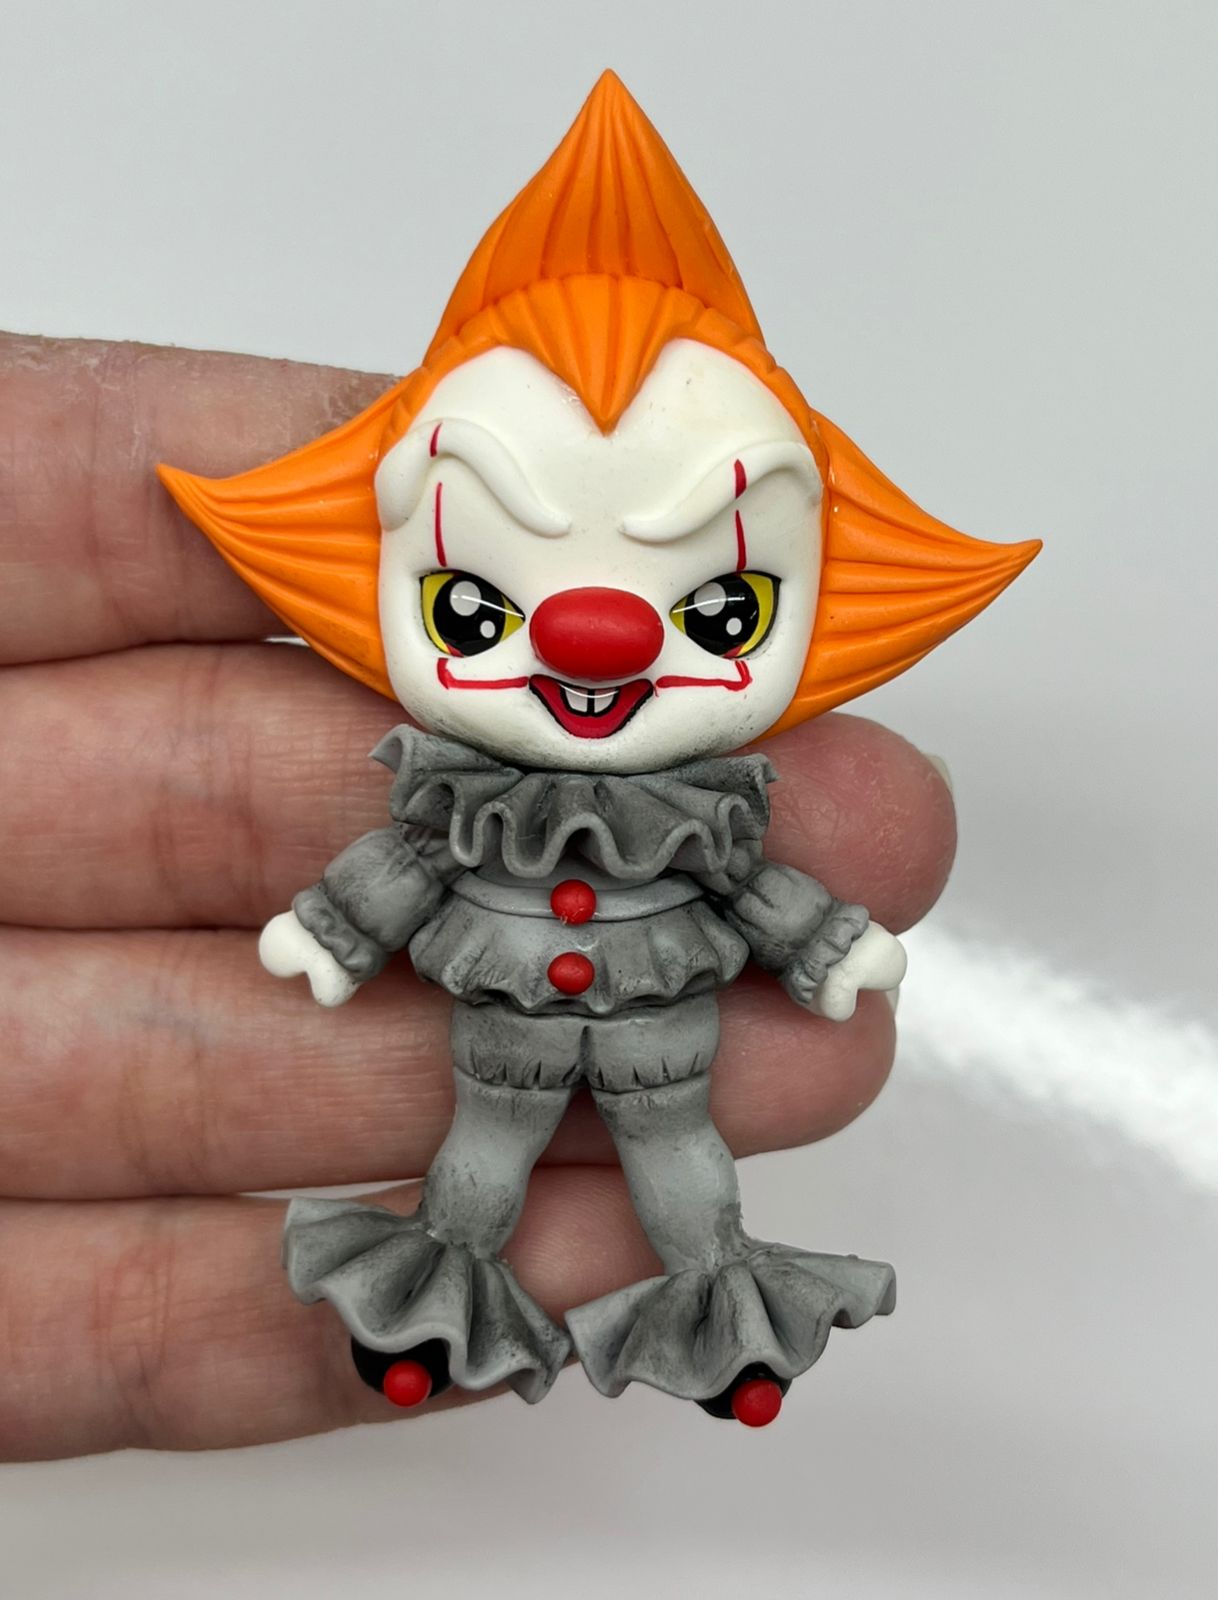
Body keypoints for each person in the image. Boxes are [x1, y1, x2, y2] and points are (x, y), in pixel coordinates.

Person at [0, 328, 962, 1457]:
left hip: (661, 1021)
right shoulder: (466, 788)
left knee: (680, 1157)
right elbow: (414, 863)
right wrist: (336, 931)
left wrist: (825, 942)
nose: (594, 639)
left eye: (717, 613)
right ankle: (436, 1298)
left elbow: (748, 883)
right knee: (481, 1156)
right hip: (506, 1021)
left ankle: (721, 1312)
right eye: (470, 608)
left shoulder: (697, 800)